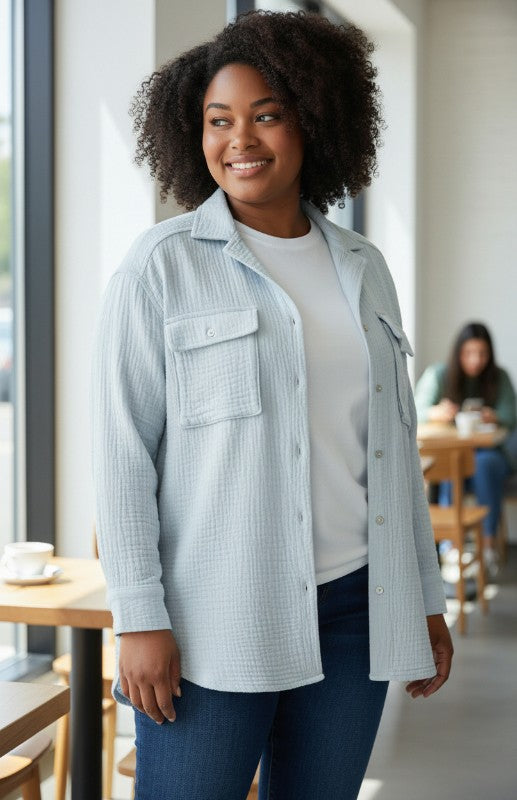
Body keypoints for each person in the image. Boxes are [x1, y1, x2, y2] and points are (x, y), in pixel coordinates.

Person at [90, 10, 453, 800]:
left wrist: (423, 598)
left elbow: (388, 454)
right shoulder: (159, 268)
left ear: (315, 120)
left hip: (357, 608)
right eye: (218, 121)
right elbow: (122, 458)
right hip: (213, 617)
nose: (239, 140)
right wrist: (139, 620)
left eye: (265, 115)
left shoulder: (365, 267)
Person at [414, 321, 516, 570]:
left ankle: (487, 546)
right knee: (454, 463)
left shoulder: (498, 377)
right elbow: (416, 410)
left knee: (483, 463)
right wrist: (435, 412)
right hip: (455, 459)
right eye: (469, 353)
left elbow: (510, 416)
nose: (475, 360)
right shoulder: (440, 374)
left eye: (482, 353)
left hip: (489, 459)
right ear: (458, 352)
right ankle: (453, 548)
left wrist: (494, 416)